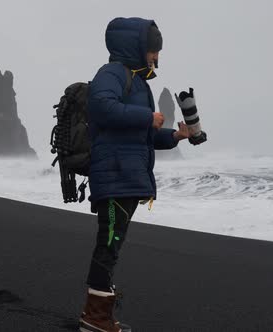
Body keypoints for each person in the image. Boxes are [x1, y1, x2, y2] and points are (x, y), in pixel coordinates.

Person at [79, 17, 191, 332]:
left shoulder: (138, 83)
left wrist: (174, 136)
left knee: (113, 243)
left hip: (126, 176)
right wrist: (147, 116)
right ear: (138, 48)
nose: (157, 58)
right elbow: (101, 108)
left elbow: (141, 135)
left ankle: (99, 313)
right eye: (154, 51)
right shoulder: (112, 73)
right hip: (114, 175)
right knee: (109, 243)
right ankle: (94, 318)